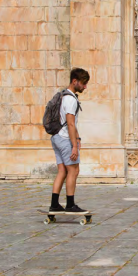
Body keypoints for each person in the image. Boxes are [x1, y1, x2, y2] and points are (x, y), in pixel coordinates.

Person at [50, 68, 90, 213]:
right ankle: (70, 204)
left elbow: (68, 123)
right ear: (75, 81)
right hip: (65, 139)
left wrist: (77, 137)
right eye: (83, 83)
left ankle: (54, 204)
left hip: (56, 137)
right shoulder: (71, 100)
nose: (85, 87)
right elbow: (71, 123)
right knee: (73, 170)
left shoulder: (62, 96)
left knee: (62, 171)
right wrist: (74, 146)